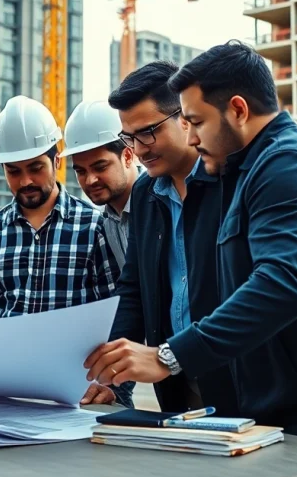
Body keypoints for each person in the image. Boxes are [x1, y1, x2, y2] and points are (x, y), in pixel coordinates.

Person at [92, 41, 297, 447]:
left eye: (195, 121)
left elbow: (281, 286)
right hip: (257, 405)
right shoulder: (249, 168)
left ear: (237, 109)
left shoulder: (292, 166)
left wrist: (169, 355)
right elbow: (137, 288)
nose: (194, 137)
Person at [83, 61, 237, 417]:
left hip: (238, 379)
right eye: (130, 137)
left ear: (185, 116)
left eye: (148, 132)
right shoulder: (147, 194)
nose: (139, 149)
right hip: (179, 388)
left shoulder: (228, 184)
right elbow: (133, 290)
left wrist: (172, 355)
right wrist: (110, 378)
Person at [0, 95, 121, 407]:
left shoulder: (95, 226)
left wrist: (118, 386)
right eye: (13, 171)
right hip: (5, 387)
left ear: (57, 162)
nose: (26, 181)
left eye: (36, 167)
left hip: (76, 390)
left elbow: (116, 317)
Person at [60, 99, 142, 408]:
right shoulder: (106, 222)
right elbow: (129, 302)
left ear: (128, 155)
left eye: (100, 167)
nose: (89, 180)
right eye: (80, 171)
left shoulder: (162, 202)